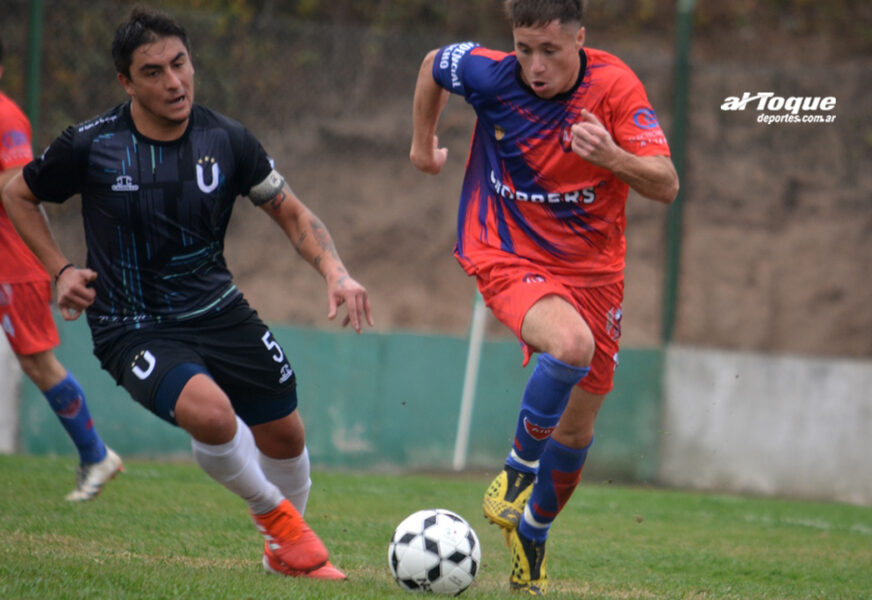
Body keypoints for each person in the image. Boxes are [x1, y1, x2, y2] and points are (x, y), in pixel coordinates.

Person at [2, 8, 373, 581]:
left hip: (218, 308)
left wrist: (336, 271)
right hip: (131, 323)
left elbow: (293, 214)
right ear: (126, 81)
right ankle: (279, 523)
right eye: (153, 72)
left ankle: (285, 557)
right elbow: (16, 193)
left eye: (180, 64)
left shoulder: (226, 139)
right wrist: (59, 270)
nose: (174, 82)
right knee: (212, 413)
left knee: (285, 432)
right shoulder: (91, 144)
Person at [410, 0, 678, 594]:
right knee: (571, 344)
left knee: (578, 432)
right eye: (524, 48)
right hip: (504, 250)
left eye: (550, 51)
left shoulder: (614, 86)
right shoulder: (492, 74)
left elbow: (666, 182)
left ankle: (532, 532)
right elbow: (434, 64)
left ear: (581, 38)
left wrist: (611, 156)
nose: (534, 65)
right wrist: (423, 145)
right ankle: (514, 473)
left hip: (595, 272)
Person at [0, 36, 123, 501]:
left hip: (13, 262)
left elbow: (16, 186)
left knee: (37, 363)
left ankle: (96, 454)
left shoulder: (7, 118)